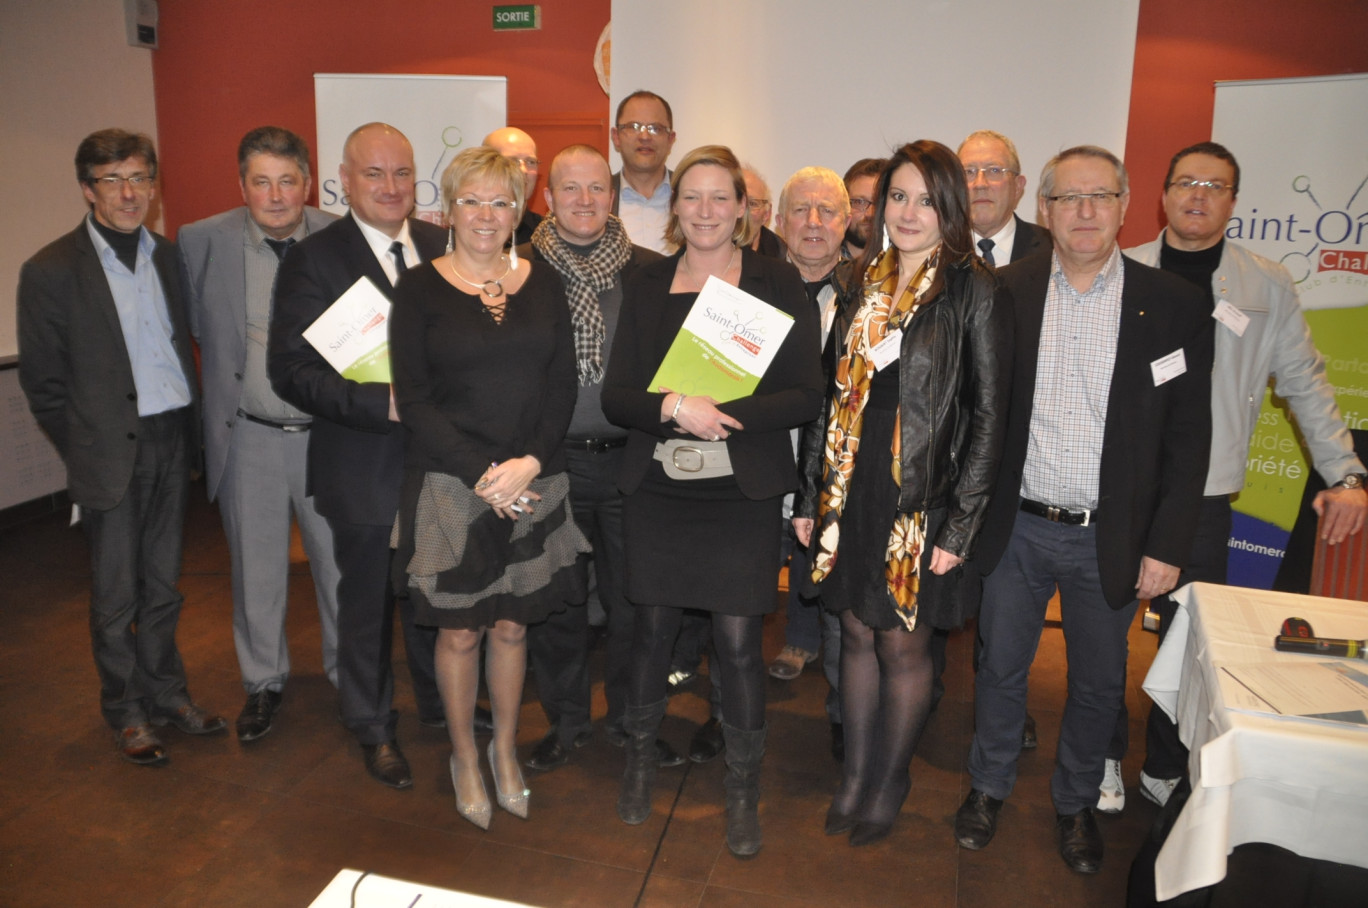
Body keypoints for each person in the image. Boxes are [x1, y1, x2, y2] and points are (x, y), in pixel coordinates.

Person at [954, 145, 1213, 875]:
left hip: (1116, 536)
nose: (1087, 212)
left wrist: (1166, 545)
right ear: (1045, 210)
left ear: (1129, 206)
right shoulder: (1004, 290)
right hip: (1018, 528)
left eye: (1101, 197)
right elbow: (975, 412)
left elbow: (1190, 440)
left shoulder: (1172, 305)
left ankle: (1073, 804)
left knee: (1100, 684)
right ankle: (988, 786)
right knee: (1001, 667)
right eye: (1069, 198)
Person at [1098, 141, 1368, 813]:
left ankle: (1165, 763)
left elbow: (1305, 382)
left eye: (1215, 186)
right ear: (1162, 195)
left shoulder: (1264, 285)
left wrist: (1345, 471)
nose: (1199, 195)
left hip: (1204, 495)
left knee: (1188, 641)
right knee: (1102, 629)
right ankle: (1102, 753)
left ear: (1233, 202)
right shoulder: (1120, 269)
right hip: (1120, 487)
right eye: (1186, 182)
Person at [602, 144, 823, 858]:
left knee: (736, 644)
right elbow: (617, 397)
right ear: (676, 210)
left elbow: (806, 394)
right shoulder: (644, 284)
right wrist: (673, 406)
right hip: (660, 487)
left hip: (739, 491)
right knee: (653, 630)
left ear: (742, 209)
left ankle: (740, 787)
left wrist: (721, 410)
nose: (704, 211)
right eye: (690, 197)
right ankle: (637, 763)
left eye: (718, 198)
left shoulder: (776, 282)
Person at [797, 141, 1011, 846]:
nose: (909, 211)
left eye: (925, 198)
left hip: (924, 499)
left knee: (903, 648)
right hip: (851, 491)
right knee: (854, 632)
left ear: (948, 206)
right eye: (898, 196)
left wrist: (961, 528)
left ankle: (890, 778)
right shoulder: (859, 278)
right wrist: (810, 498)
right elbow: (829, 398)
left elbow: (989, 419)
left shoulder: (974, 288)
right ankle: (854, 775)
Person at [390, 145, 589, 829]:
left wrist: (530, 461)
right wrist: (483, 476)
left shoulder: (545, 282)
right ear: (448, 209)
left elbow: (560, 385)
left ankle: (504, 750)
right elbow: (414, 401)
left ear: (517, 213)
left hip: (533, 481)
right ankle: (463, 756)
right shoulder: (418, 290)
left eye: (500, 201)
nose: (485, 214)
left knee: (510, 627)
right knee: (460, 635)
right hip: (451, 488)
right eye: (471, 200)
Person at [18, 129, 225, 766]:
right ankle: (125, 710)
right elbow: (44, 384)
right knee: (116, 596)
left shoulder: (166, 256)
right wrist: (84, 451)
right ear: (88, 189)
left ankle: (168, 695)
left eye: (139, 178)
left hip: (171, 439)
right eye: (113, 180)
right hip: (109, 452)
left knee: (164, 586)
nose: (130, 192)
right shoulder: (51, 270)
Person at [268, 123, 446, 790]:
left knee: (434, 591)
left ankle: (437, 704)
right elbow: (290, 370)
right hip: (362, 461)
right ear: (344, 180)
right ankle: (372, 726)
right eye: (375, 175)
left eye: (402, 172)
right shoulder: (314, 260)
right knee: (368, 604)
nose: (392, 186)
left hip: (437, 463)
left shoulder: (439, 244)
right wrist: (383, 403)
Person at [518, 145, 684, 774]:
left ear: (612, 196)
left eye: (596, 188)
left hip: (630, 461)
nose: (584, 201)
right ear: (549, 198)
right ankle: (565, 723)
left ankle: (630, 721)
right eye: (570, 189)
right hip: (550, 462)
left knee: (634, 602)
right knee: (557, 603)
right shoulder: (521, 270)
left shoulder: (650, 271)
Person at [178, 126, 341, 743]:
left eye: (287, 180)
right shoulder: (201, 241)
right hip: (248, 437)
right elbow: (199, 324)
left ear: (307, 180)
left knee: (340, 570)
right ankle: (263, 683)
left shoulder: (338, 238)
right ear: (241, 184)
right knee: (256, 572)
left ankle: (350, 678)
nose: (275, 195)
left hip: (329, 438)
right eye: (260, 181)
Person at [770, 166, 856, 762]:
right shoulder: (744, 293)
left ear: (849, 222)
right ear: (778, 222)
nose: (814, 223)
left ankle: (844, 722)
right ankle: (734, 717)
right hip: (760, 478)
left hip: (837, 486)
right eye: (801, 210)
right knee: (742, 610)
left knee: (839, 620)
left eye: (828, 210)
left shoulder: (875, 298)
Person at [957, 130, 1050, 267]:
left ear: (1018, 186)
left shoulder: (1053, 250)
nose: (980, 184)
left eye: (994, 170)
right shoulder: (935, 252)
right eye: (969, 172)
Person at [610, 90, 677, 253]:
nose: (645, 136)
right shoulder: (598, 198)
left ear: (670, 139)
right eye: (634, 127)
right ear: (616, 137)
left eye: (655, 128)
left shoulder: (691, 195)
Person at [483, 127, 543, 245]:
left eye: (530, 162)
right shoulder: (466, 232)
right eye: (512, 162)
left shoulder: (548, 236)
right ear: (485, 167)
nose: (523, 170)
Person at [841, 158, 884, 261]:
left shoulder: (913, 271)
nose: (870, 214)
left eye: (879, 203)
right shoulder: (820, 264)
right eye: (859, 202)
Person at [742, 166, 785, 257]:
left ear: (766, 214)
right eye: (735, 201)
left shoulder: (781, 256)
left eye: (752, 204)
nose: (742, 211)